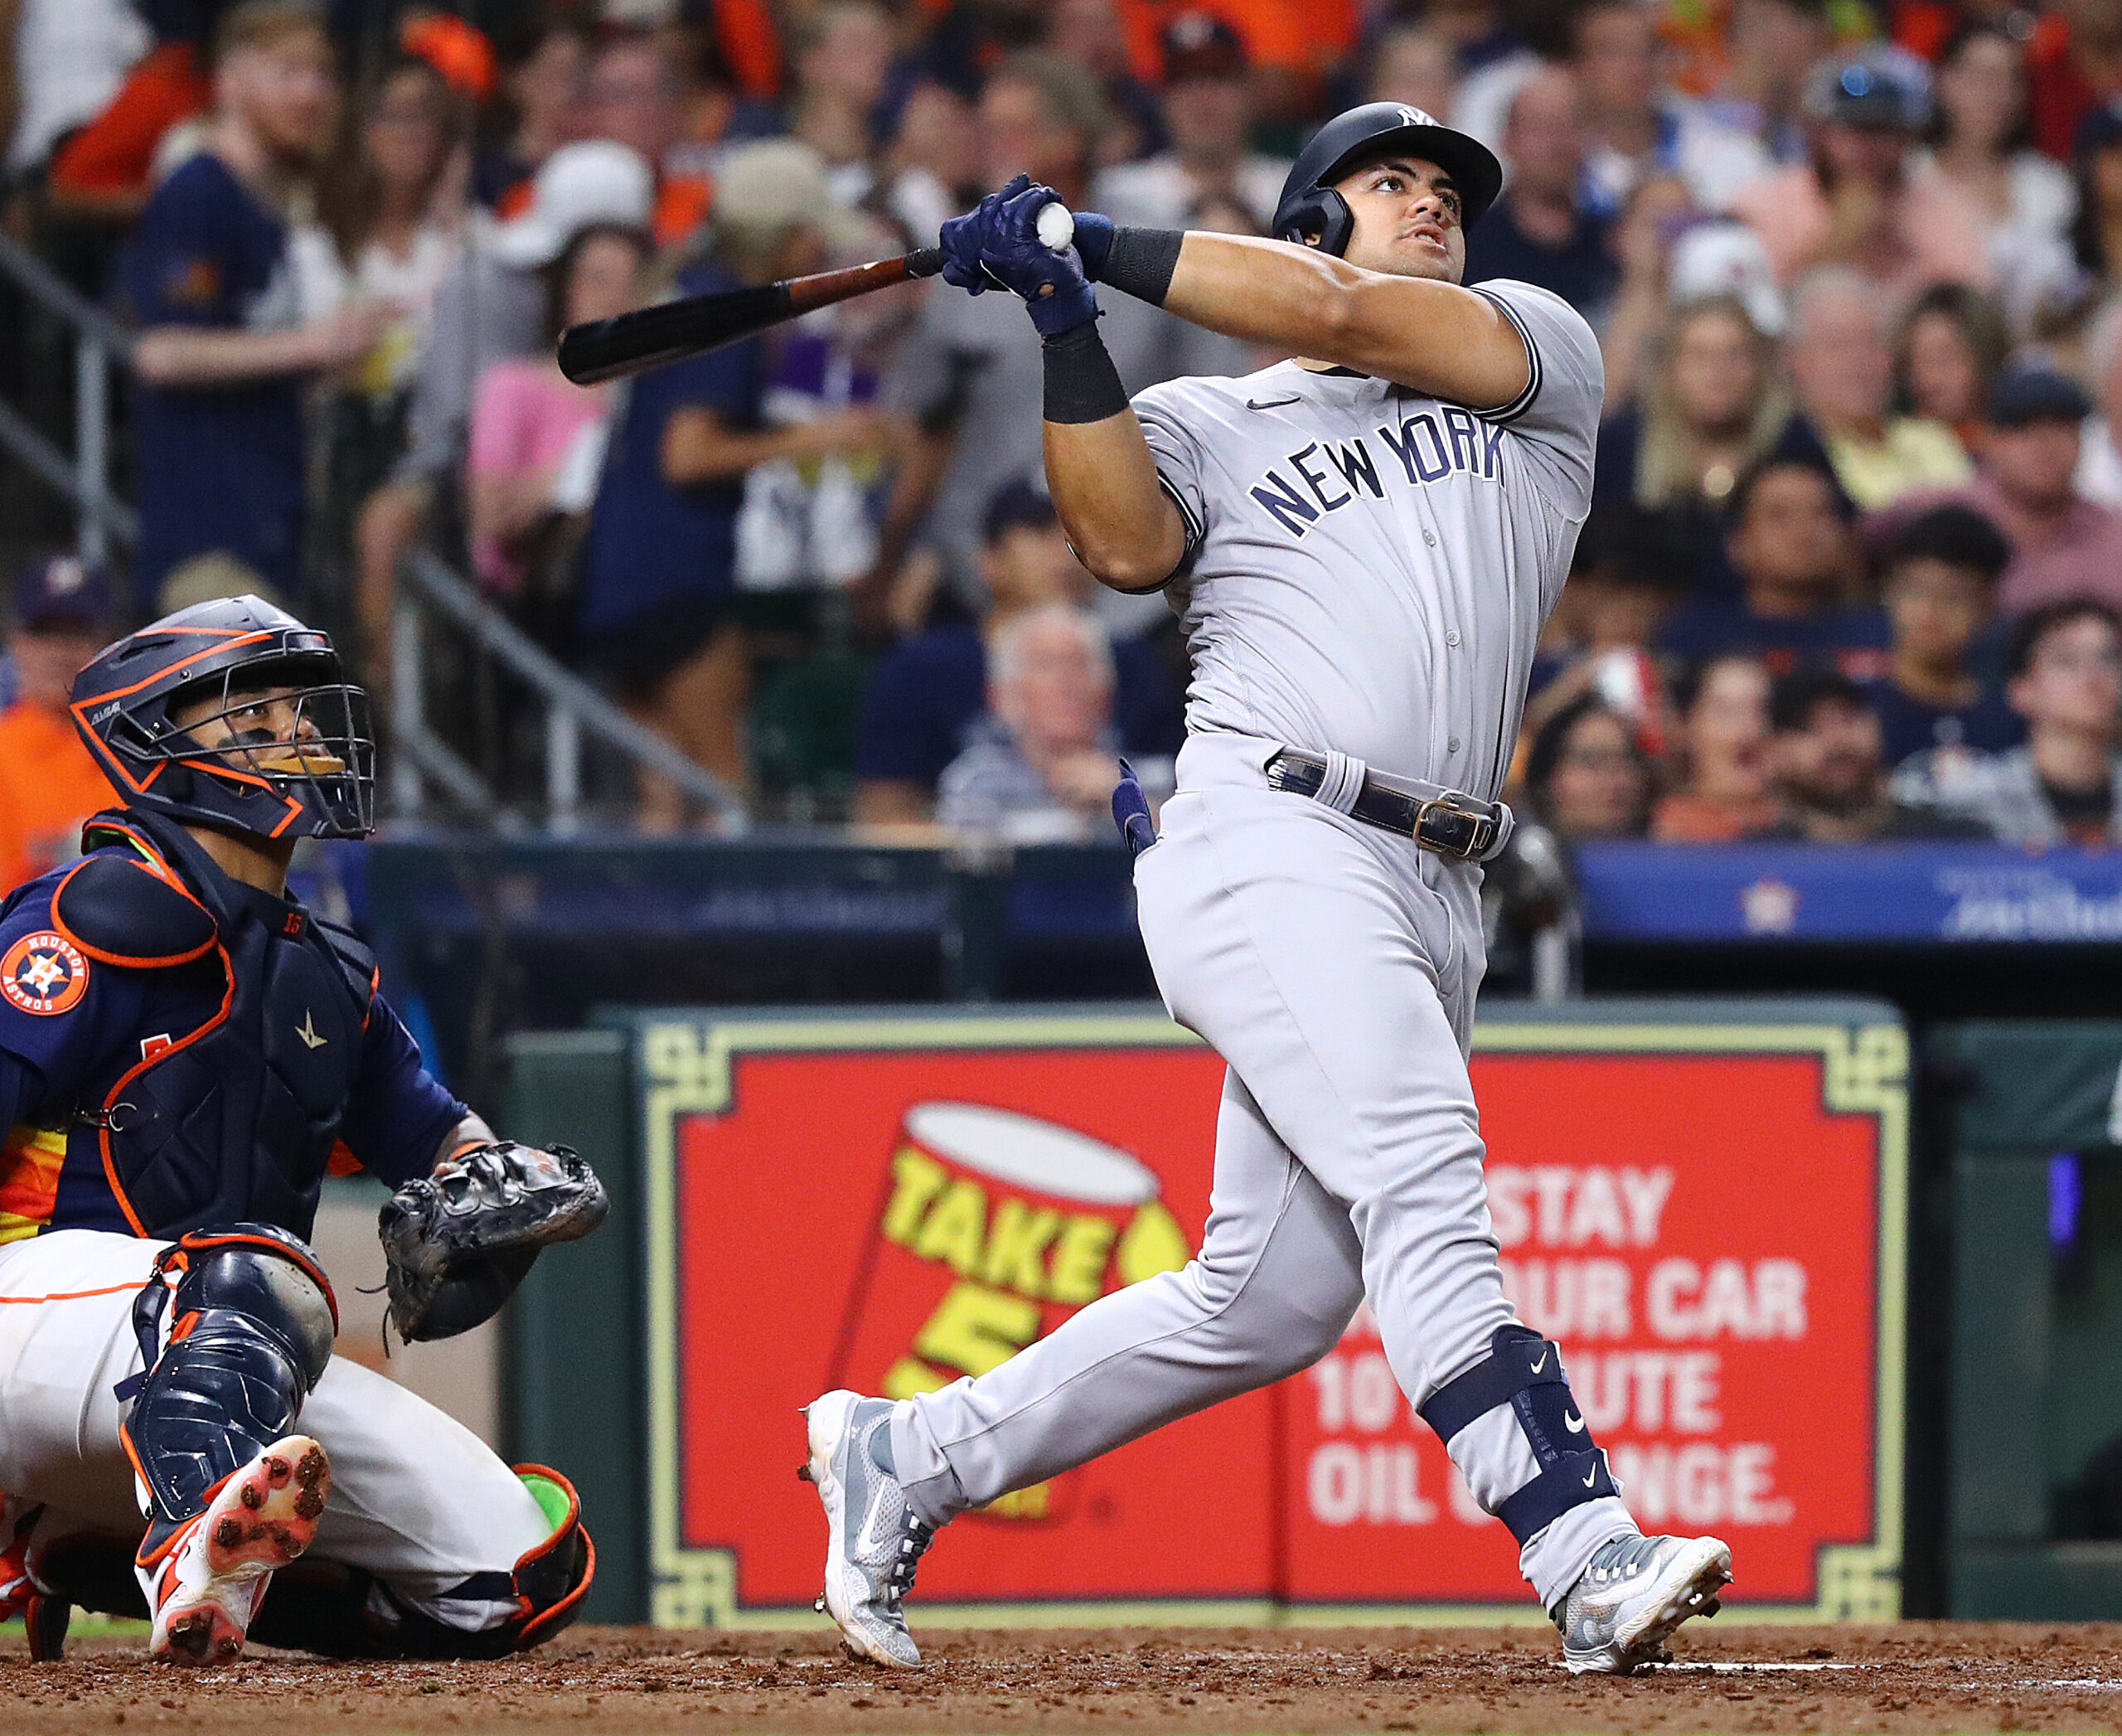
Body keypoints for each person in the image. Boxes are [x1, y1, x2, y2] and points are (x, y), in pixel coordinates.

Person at [802, 102, 1732, 1677]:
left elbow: (1352, 315)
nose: (1432, 204)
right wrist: (1064, 319)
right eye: (1391, 182)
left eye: (1449, 189)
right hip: (1270, 833)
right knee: (1425, 1168)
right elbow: (1113, 542)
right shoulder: (1206, 415)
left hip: (1444, 878)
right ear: (1305, 218)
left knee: (1271, 1295)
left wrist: (1085, 235)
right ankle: (1583, 1543)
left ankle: (909, 1450)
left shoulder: (1534, 357)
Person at [0, 594, 600, 1667]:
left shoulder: (327, 969)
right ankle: (183, 1543)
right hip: (30, 1325)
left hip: (203, 1358)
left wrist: (504, 1186)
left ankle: (75, 1545)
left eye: (302, 712)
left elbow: (437, 1142)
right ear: (160, 743)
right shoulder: (91, 914)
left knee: (505, 1578)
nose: (306, 735)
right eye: (258, 716)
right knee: (256, 1276)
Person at [870, 51, 1250, 628]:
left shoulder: (1149, 239)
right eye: (986, 125)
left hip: (1140, 578)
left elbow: (1220, 409)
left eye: (1012, 128)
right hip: (984, 572)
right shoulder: (966, 252)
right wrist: (895, 556)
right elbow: (926, 428)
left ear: (1070, 139)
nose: (990, 142)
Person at [579, 140, 890, 827]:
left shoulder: (686, 289)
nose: (817, 254)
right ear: (780, 237)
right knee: (728, 787)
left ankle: (646, 936)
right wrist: (820, 435)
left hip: (618, 579)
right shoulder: (726, 310)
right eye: (811, 237)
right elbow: (685, 455)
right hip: (676, 578)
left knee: (661, 799)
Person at [123, 0, 393, 613]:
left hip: (270, 534)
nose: (311, 93)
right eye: (288, 71)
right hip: (207, 545)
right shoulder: (199, 193)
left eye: (323, 73)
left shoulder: (276, 204)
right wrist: (313, 345)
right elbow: (162, 353)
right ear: (231, 79)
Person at [854, 477, 1181, 822]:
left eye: (1079, 536)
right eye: (1041, 534)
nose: (1064, 554)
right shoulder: (924, 668)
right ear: (989, 560)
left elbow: (1192, 804)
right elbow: (884, 821)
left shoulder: (1134, 662)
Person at [1727, 46, 1992, 300]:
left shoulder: (1946, 210)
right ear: (1818, 133)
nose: (1863, 148)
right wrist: (1838, 242)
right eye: (1849, 129)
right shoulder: (1765, 202)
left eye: (1880, 130)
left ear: (1908, 137)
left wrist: (1904, 250)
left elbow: (1971, 313)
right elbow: (1751, 309)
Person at [466, 223, 644, 597]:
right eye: (598, 279)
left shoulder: (654, 395)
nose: (615, 297)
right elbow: (490, 515)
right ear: (568, 287)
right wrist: (573, 479)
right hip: (536, 596)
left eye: (631, 283)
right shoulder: (514, 386)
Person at [1592, 293, 1790, 592]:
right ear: (1669, 370)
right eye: (1700, 356)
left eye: (1736, 354)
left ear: (1759, 367)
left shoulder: (1791, 443)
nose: (1719, 371)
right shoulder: (1623, 446)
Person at [1894, 597, 2122, 846]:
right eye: (2066, 661)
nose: (2093, 677)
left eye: (2108, 658)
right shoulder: (1970, 798)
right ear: (2020, 690)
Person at [935, 602, 1171, 841]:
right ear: (1003, 694)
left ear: (1106, 692)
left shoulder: (1160, 780)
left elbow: (1189, 856)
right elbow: (974, 870)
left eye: (1079, 664)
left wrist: (1124, 797)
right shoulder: (977, 783)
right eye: (1045, 665)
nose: (1066, 682)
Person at [1911, 22, 2077, 325]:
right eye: (1983, 77)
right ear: (1944, 79)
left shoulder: (2048, 183)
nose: (1997, 93)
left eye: (2012, 79)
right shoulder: (1910, 176)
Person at [1659, 455, 1887, 673]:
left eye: (1821, 514)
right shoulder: (1694, 642)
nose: (1804, 533)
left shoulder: (1882, 641)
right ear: (1738, 544)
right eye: (1779, 516)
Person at [1782, 266, 1972, 512]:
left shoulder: (1932, 439)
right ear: (1796, 361)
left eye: (1872, 342)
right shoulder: (1798, 459)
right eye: (1838, 345)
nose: (1859, 362)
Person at [1092, 13, 1290, 235]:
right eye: (1185, 82)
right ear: (1162, 99)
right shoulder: (1121, 193)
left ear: (1248, 91)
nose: (1203, 98)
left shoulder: (1290, 190)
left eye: (1218, 78)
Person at [1864, 502, 2023, 765]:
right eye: (1916, 591)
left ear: (1988, 608)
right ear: (1889, 592)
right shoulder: (1858, 709)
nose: (1929, 612)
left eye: (1953, 597)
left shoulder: (2012, 720)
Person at [1957, 366, 2122, 618]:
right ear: (1991, 439)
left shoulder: (2112, 535)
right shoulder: (1949, 514)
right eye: (2025, 427)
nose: (2046, 444)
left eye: (2062, 426)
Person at [1751, 667, 1987, 841]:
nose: (1837, 741)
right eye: (1809, 728)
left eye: (1849, 719)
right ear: (1774, 750)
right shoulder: (1752, 862)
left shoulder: (1950, 843)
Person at [1461, 65, 1619, 321]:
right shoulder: (1469, 245)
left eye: (1569, 126)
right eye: (1540, 128)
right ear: (1508, 140)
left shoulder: (1612, 242)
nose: (1556, 143)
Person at [0, 558, 114, 894]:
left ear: (109, 644)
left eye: (78, 634)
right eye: (46, 633)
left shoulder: (139, 751)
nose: (61, 654)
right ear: (15, 641)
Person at [1650, 652, 1780, 841]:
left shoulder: (1805, 834)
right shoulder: (1664, 838)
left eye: (1761, 710)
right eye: (1728, 712)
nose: (1751, 729)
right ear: (1687, 728)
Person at [1521, 696, 1651, 841]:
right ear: (1546, 779)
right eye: (1591, 761)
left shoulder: (1666, 853)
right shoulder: (1511, 858)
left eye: (1627, 760)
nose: (1616, 782)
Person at [1892, 283, 2007, 441]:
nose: (1932, 379)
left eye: (1947, 357)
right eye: (1922, 361)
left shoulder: (2014, 438)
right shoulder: (1900, 443)